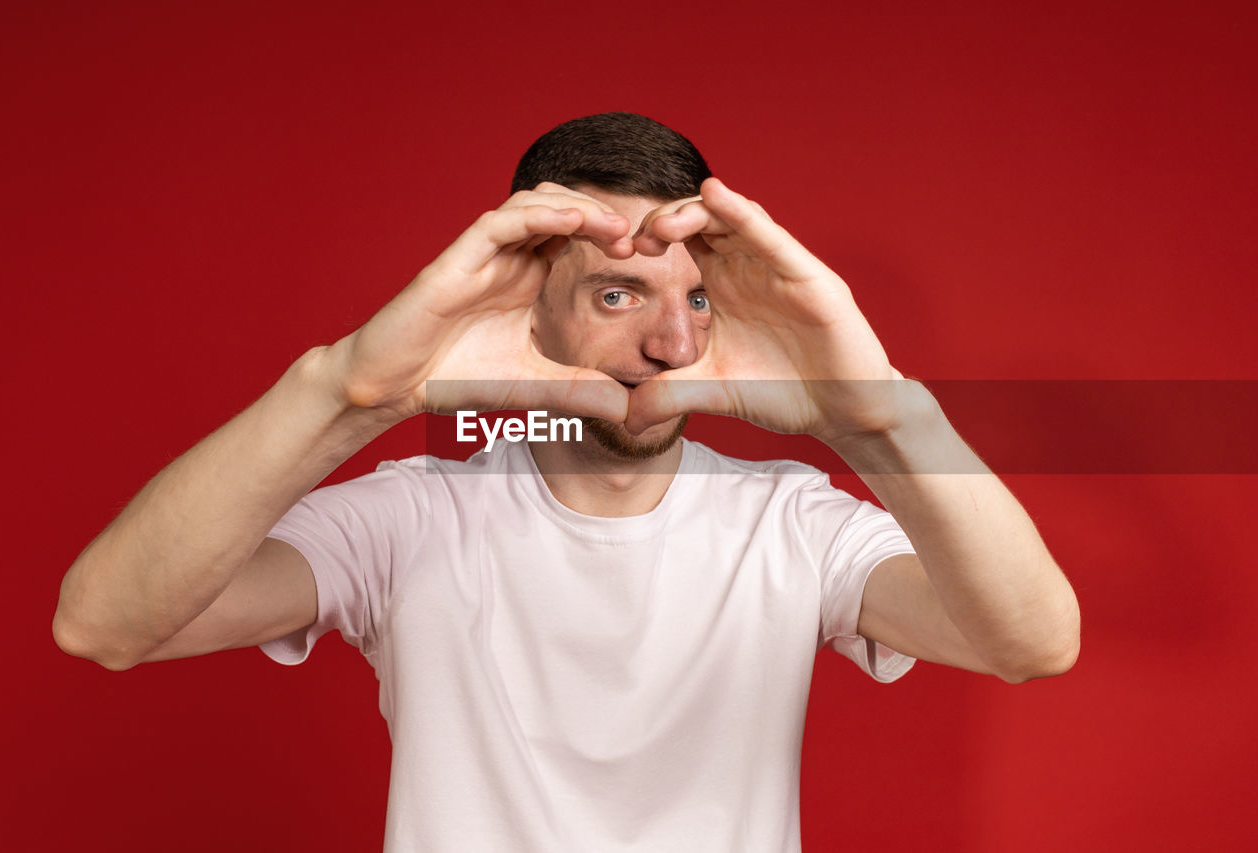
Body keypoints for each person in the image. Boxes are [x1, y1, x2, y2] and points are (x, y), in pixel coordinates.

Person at [53, 113, 1080, 851]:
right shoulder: (413, 515)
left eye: (694, 299)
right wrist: (351, 392)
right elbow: (106, 623)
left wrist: (880, 414)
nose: (668, 341)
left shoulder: (789, 524)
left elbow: (1030, 642)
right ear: (529, 307)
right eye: (617, 292)